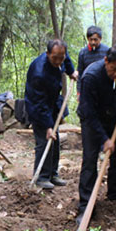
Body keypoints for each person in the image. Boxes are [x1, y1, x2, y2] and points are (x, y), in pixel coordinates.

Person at [76, 45, 116, 226]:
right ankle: (86, 206)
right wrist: (105, 139)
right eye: (113, 69)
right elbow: (89, 113)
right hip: (91, 118)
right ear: (106, 61)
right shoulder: (91, 77)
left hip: (113, 112)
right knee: (89, 160)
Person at [25, 39, 77, 190]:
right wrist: (47, 126)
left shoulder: (61, 57)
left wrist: (71, 71)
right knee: (44, 140)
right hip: (38, 107)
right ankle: (41, 177)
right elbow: (39, 103)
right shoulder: (39, 72)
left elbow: (66, 61)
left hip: (53, 101)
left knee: (56, 138)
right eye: (55, 57)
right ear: (48, 54)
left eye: (61, 57)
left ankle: (53, 174)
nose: (58, 61)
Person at [77, 26, 109, 93]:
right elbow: (80, 73)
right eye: (91, 39)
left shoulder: (107, 51)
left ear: (100, 38)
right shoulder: (83, 53)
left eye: (95, 39)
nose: (93, 42)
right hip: (87, 88)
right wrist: (79, 91)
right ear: (88, 39)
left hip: (103, 88)